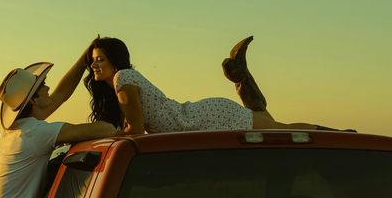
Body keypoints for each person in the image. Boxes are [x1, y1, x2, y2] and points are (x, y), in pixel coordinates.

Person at [0, 43, 116, 198]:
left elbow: (61, 94)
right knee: (75, 167)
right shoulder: (36, 132)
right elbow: (105, 129)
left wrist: (85, 60)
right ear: (34, 100)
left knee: (59, 163)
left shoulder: (13, 130)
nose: (48, 88)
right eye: (43, 85)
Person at [84, 35, 352, 134]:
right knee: (271, 124)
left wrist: (102, 134)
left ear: (115, 60)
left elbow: (137, 129)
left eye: (100, 59)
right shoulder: (124, 80)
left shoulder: (123, 78)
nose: (94, 65)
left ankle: (339, 134)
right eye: (93, 61)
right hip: (199, 117)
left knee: (277, 130)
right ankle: (241, 76)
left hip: (201, 119)